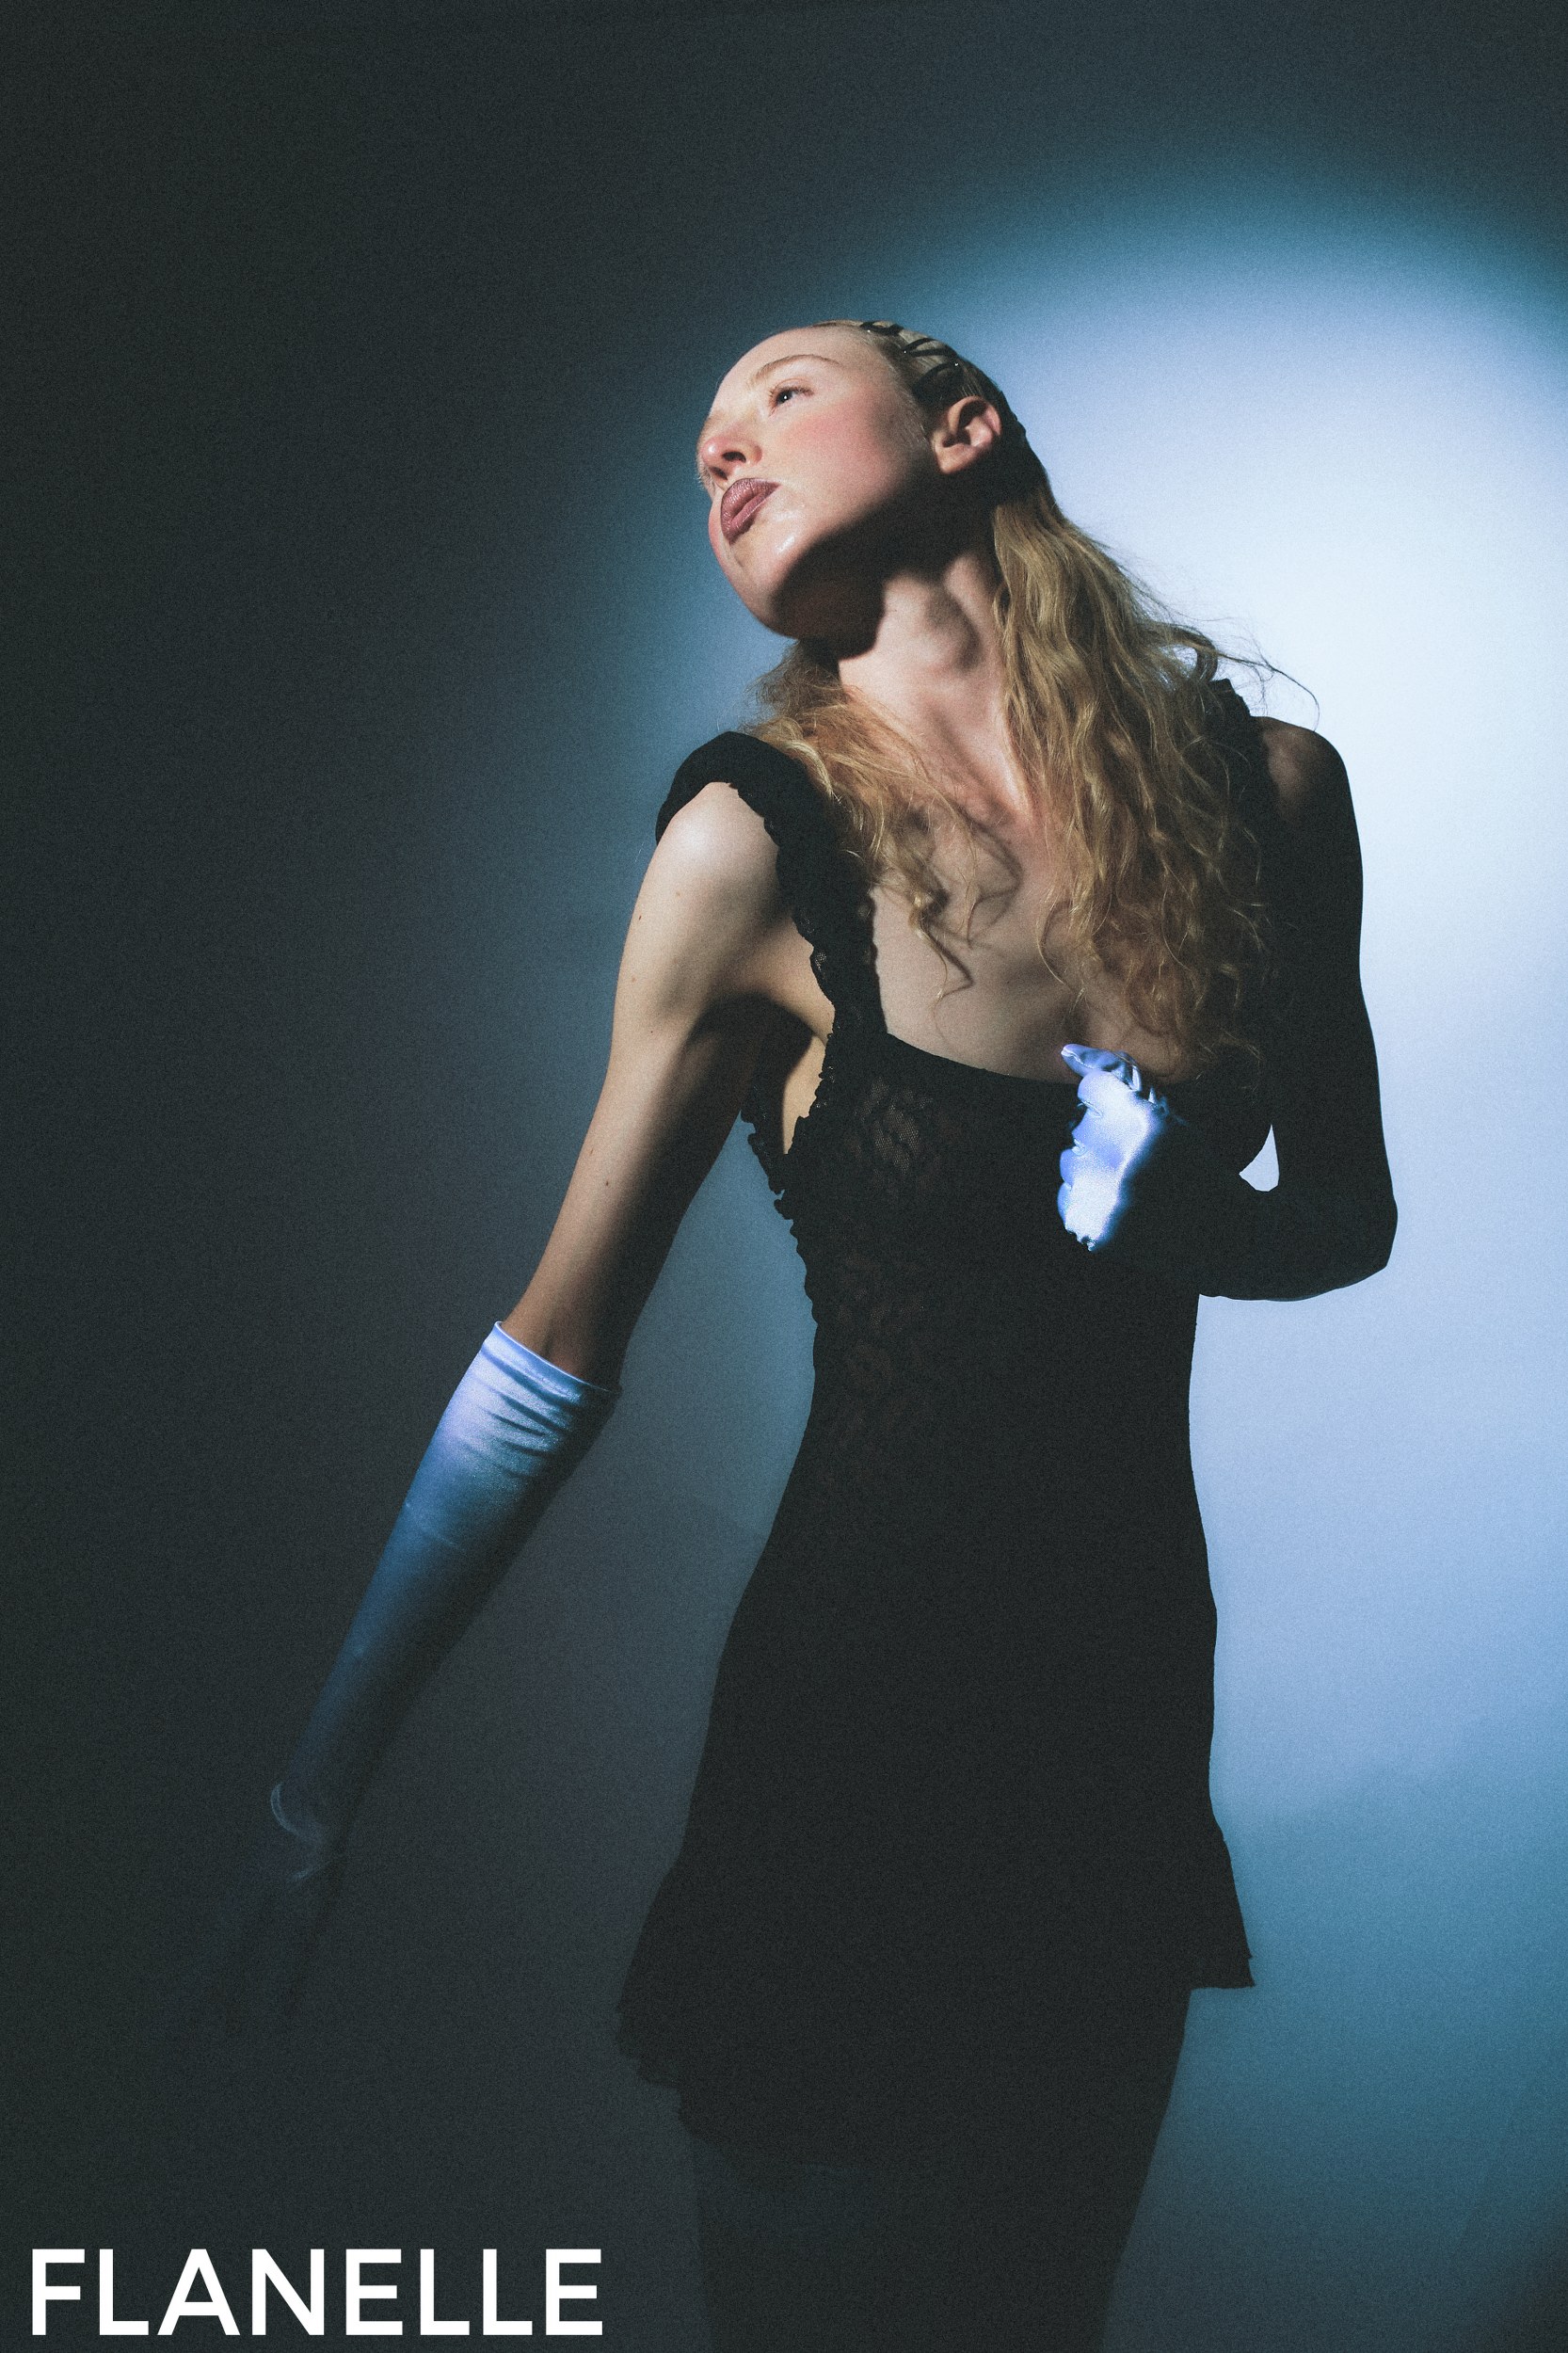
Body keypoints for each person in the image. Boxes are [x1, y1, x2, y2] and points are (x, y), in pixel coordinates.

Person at [201, 318, 1397, 2350]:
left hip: (1111, 1720)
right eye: (697, 452)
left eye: (770, 394)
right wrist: (314, 1802)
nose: (717, 452)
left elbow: (1346, 1224)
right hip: (854, 1730)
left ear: (958, 424)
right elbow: (547, 1357)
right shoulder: (752, 844)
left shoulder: (1261, 794)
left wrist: (1194, 1225)